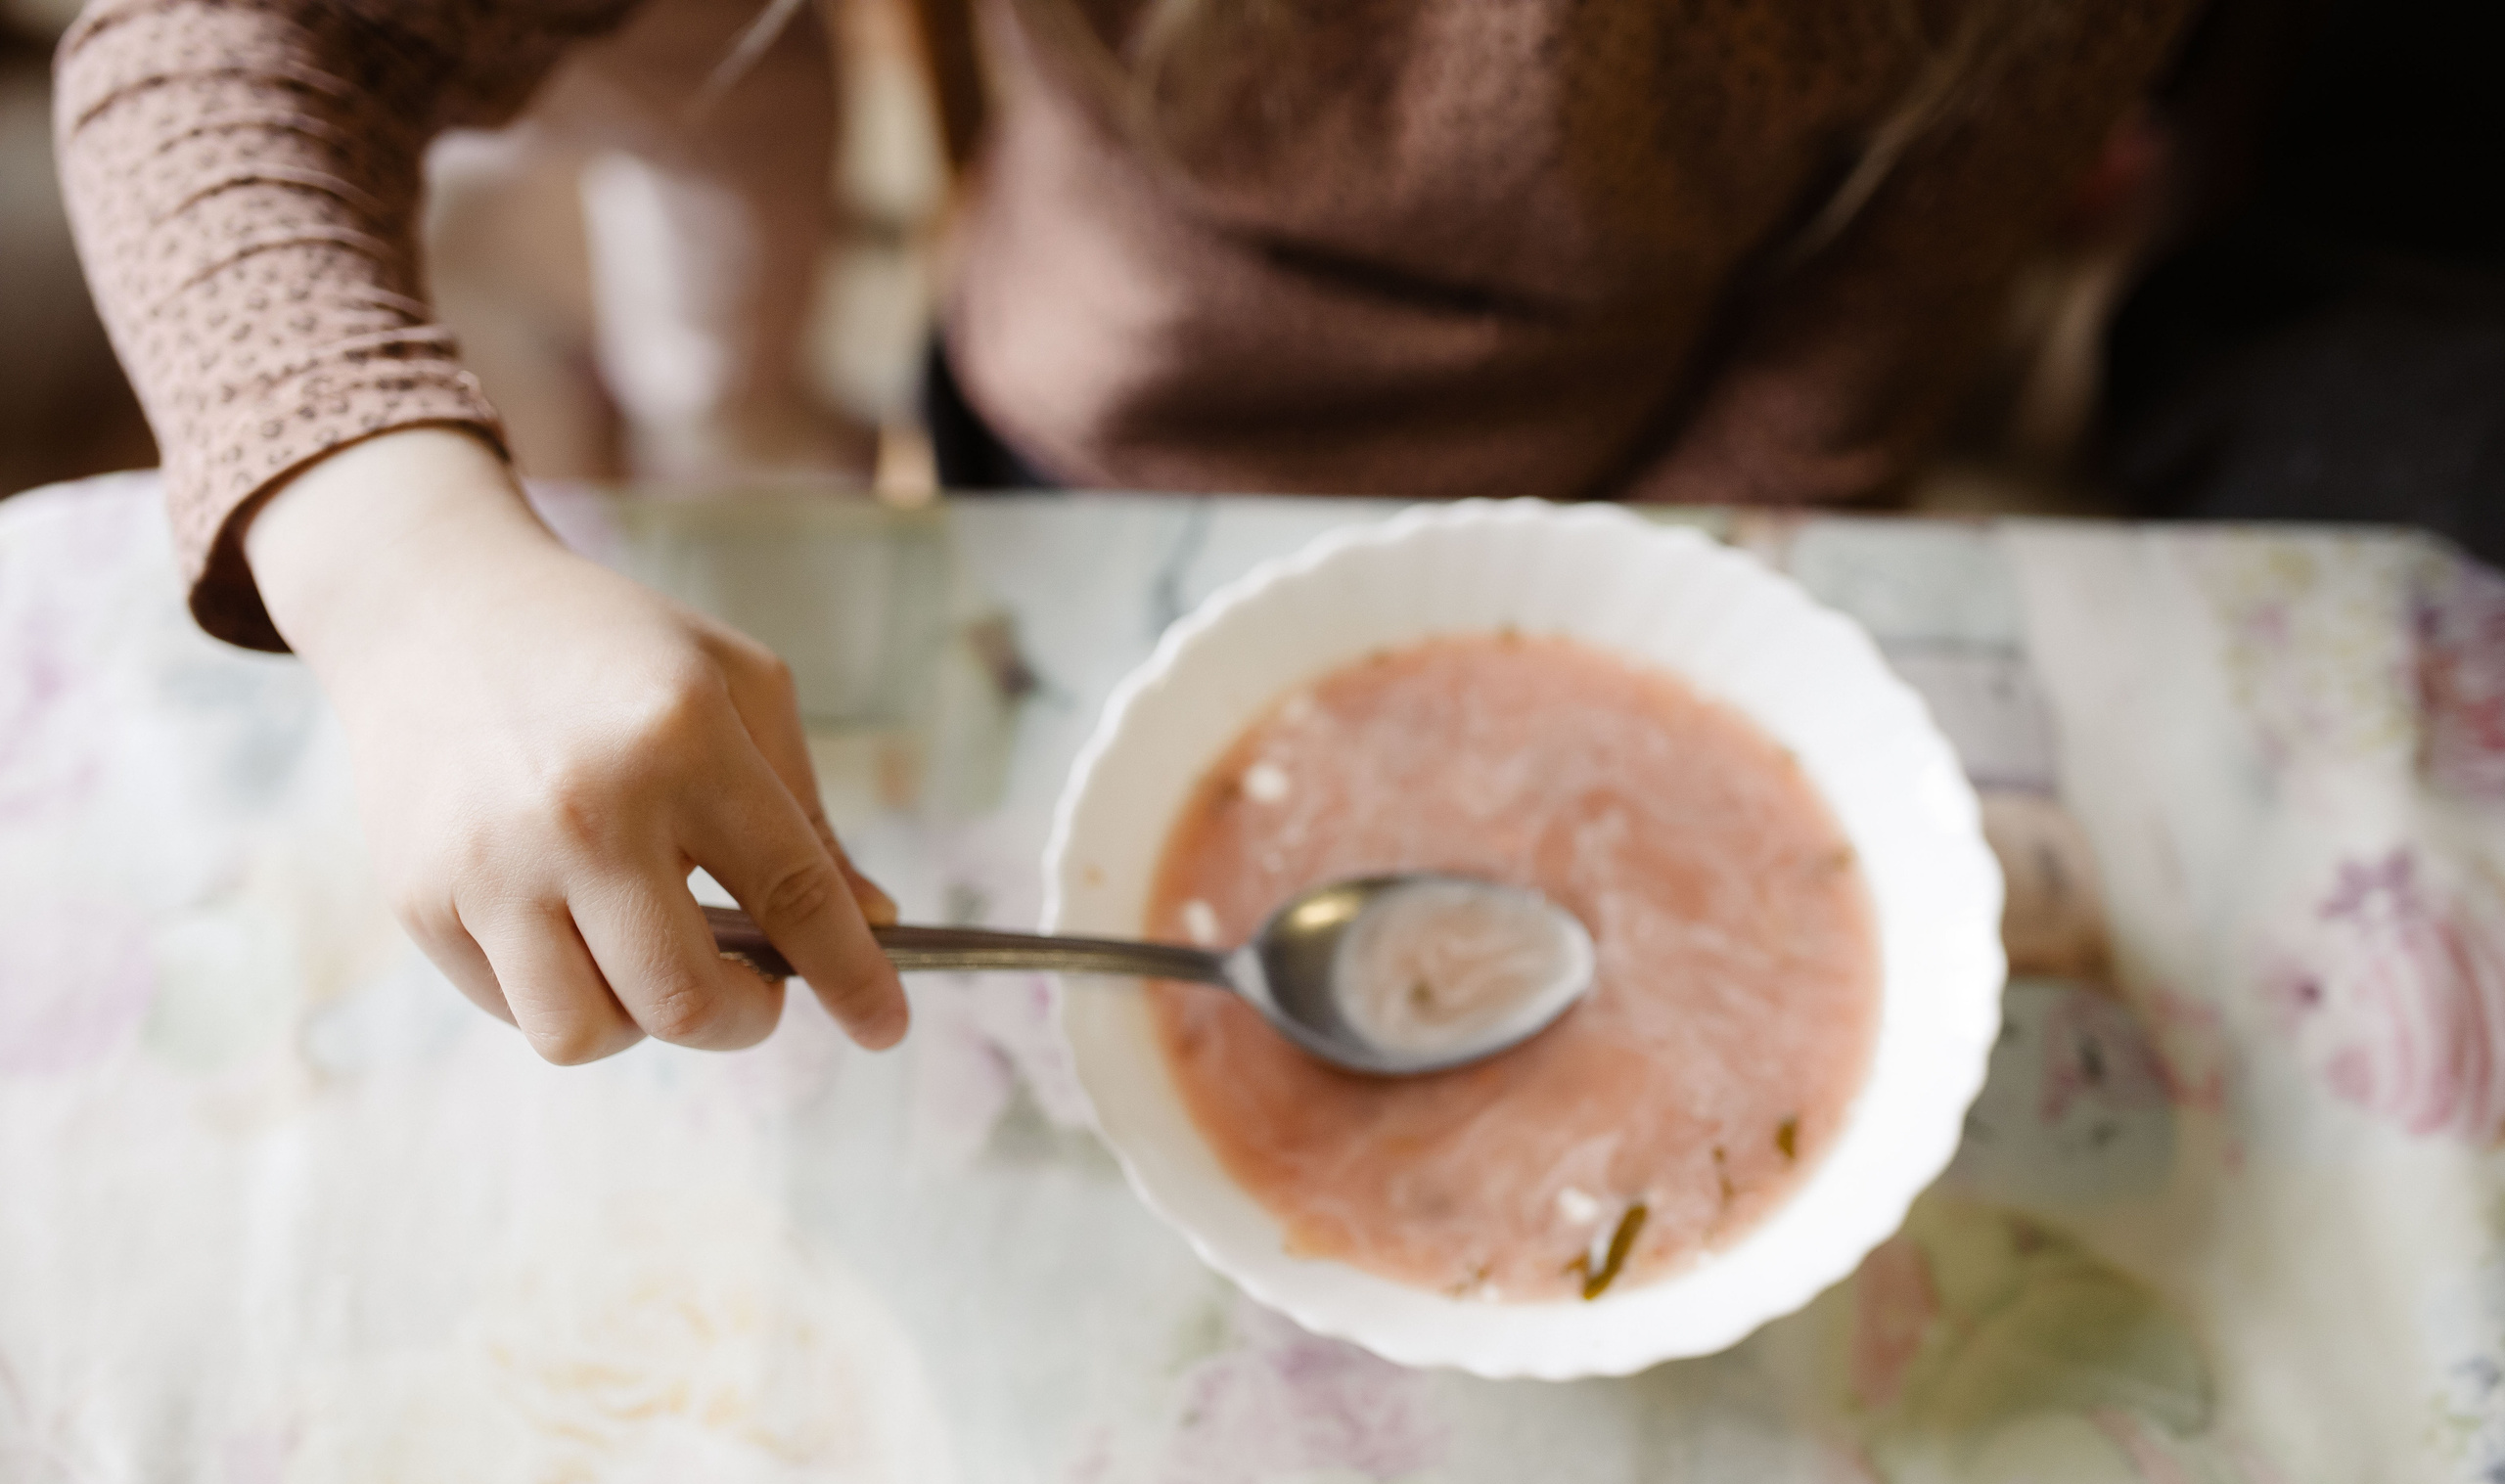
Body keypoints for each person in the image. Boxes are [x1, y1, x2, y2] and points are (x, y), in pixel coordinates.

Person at [53, 0, 2193, 1063]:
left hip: (1612, 493)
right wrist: (406, 573)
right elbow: (212, 58)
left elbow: (1839, 371)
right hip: (1049, 439)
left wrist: (1628, 609)